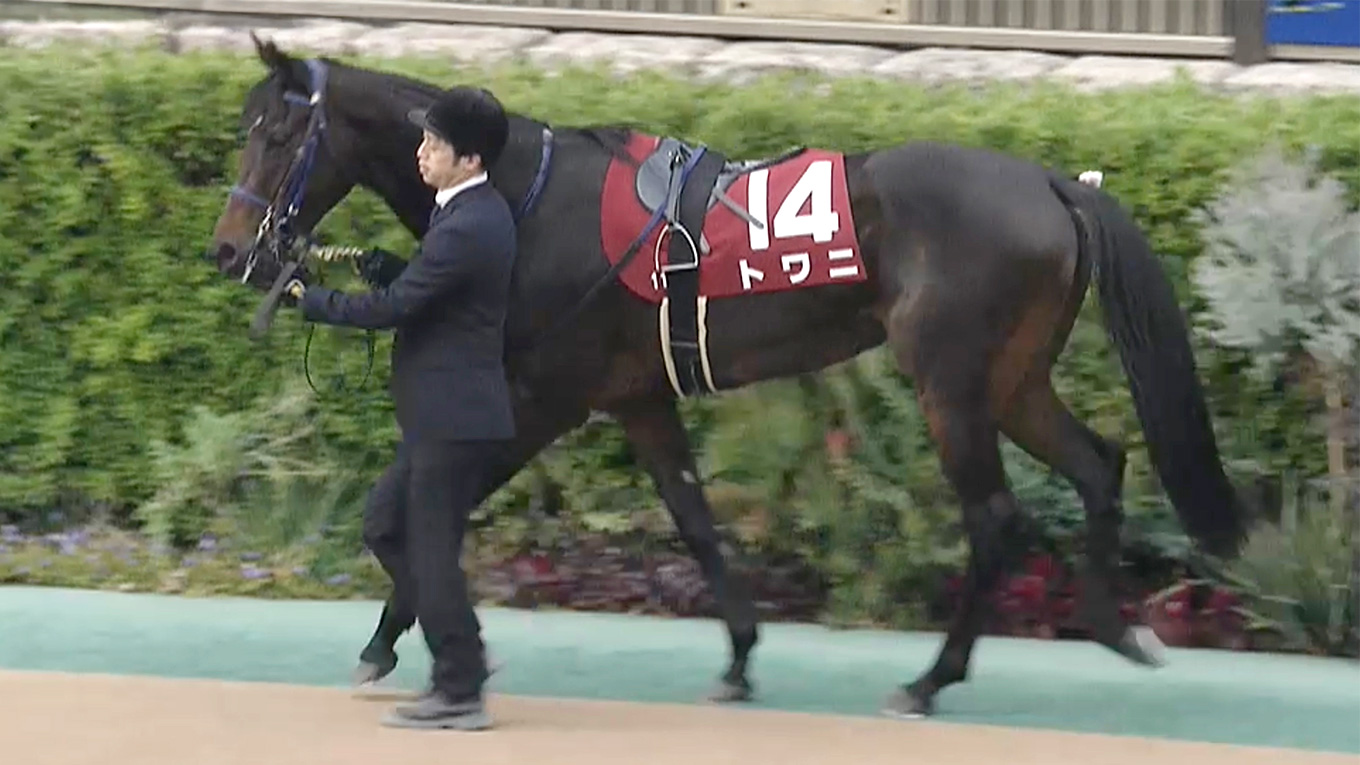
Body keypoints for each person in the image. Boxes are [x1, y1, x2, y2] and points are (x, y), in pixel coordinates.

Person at [282, 85, 517, 731]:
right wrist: (389, 267)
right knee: (385, 525)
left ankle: (459, 689)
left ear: (470, 159)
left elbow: (396, 309)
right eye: (425, 139)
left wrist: (311, 300)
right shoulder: (465, 213)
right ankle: (464, 650)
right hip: (444, 417)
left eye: (436, 144)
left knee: (431, 554)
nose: (422, 151)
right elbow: (436, 292)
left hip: (453, 418)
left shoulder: (468, 224)